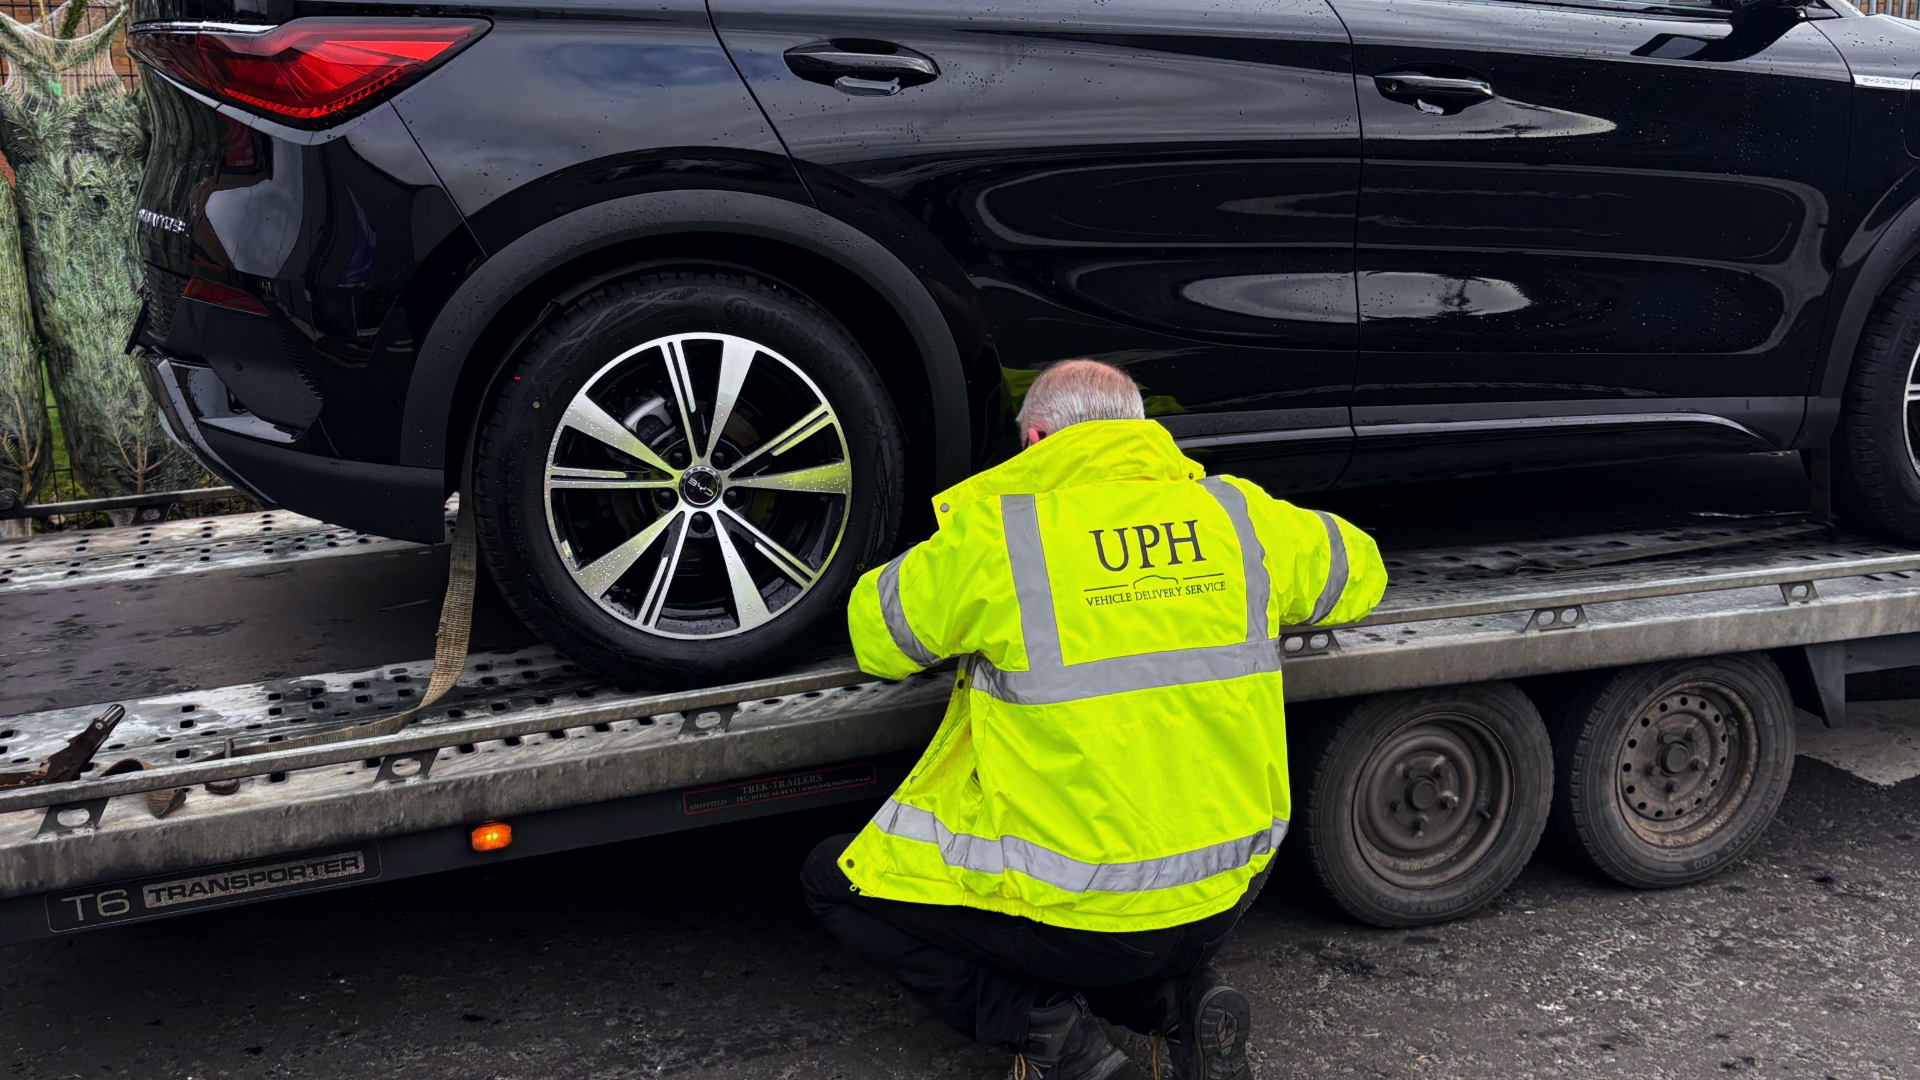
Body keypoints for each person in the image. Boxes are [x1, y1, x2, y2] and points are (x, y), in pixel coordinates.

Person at [802, 360, 1387, 1079]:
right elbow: (1361, 568)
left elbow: (878, 635)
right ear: (1142, 431)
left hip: (1080, 912)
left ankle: (1048, 1031)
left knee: (832, 881)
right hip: (1225, 893)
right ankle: (1176, 1001)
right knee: (1128, 938)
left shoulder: (1000, 537)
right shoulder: (1240, 515)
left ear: (1037, 437)